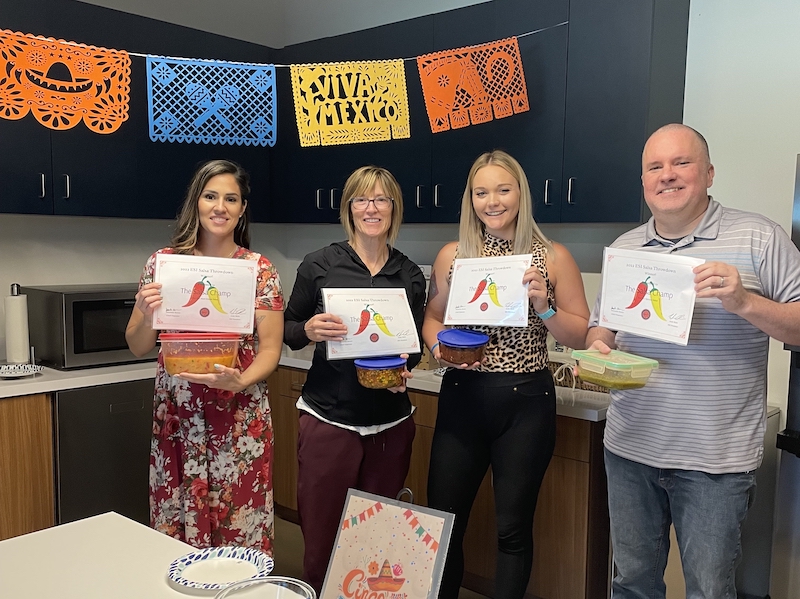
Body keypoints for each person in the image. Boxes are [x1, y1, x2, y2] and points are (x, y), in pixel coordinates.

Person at [585, 123, 800, 598]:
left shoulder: (758, 238)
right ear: (643, 182)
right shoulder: (625, 250)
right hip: (629, 450)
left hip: (715, 463)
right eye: (654, 166)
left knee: (708, 589)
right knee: (631, 583)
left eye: (681, 162)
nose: (667, 175)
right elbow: (603, 325)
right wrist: (598, 343)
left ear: (708, 173)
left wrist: (745, 302)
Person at [422, 150, 590, 599]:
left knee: (512, 530)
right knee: (443, 524)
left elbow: (579, 334)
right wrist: (440, 347)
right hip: (463, 397)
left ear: (521, 194)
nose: (491, 201)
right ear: (470, 199)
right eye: (481, 192)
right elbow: (431, 318)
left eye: (503, 189)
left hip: (525, 404)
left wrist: (544, 305)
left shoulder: (552, 257)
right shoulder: (453, 257)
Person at [125, 159, 284, 553]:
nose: (221, 207)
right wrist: (146, 313)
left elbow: (270, 350)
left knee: (238, 526)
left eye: (231, 199)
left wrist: (242, 380)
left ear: (242, 209)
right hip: (178, 417)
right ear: (196, 201)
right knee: (177, 529)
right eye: (211, 196)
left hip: (238, 416)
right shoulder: (164, 264)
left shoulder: (259, 271)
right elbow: (138, 345)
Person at [283, 165, 426, 593]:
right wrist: (308, 330)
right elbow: (286, 328)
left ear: (393, 208)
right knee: (323, 540)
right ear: (349, 208)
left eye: (381, 199)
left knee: (378, 540)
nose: (371, 208)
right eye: (362, 199)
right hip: (329, 419)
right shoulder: (319, 265)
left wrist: (405, 371)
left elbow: (413, 345)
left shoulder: (409, 275)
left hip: (390, 425)